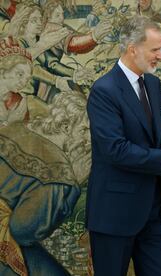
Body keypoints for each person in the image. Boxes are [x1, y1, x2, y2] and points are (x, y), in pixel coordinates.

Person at [85, 15, 161, 276]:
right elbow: (116, 150)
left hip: (154, 214)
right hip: (114, 215)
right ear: (133, 49)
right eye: (155, 49)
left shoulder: (154, 85)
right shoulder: (104, 91)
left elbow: (155, 141)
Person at [0, 91, 89, 276]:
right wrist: (75, 185)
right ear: (65, 126)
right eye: (84, 130)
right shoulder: (59, 173)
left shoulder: (14, 129)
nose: (88, 140)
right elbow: (23, 231)